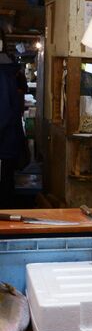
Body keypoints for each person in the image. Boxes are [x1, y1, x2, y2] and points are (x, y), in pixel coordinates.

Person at [0, 22, 29, 209]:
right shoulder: (9, 70)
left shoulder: (3, 74)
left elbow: (3, 114)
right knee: (6, 189)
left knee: (4, 193)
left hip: (3, 144)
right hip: (8, 143)